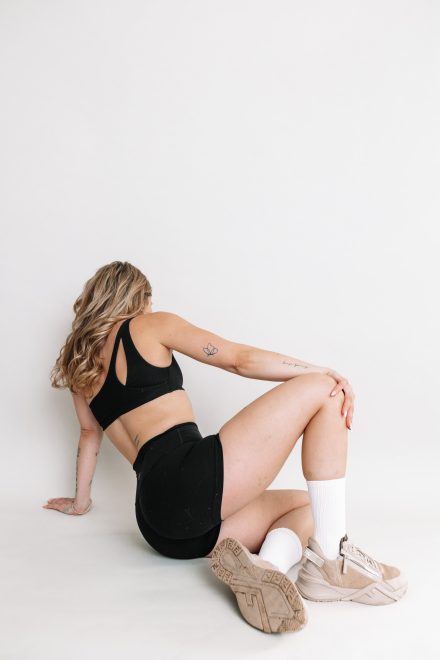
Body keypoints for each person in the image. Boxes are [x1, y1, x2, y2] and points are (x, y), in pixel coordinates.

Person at [46, 260, 407, 634]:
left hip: (159, 525)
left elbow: (90, 437)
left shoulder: (81, 373)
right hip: (189, 479)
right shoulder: (149, 324)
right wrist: (324, 372)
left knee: (307, 505)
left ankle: (266, 569)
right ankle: (333, 562)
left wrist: (79, 503)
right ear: (140, 297)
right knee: (324, 390)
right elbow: (239, 360)